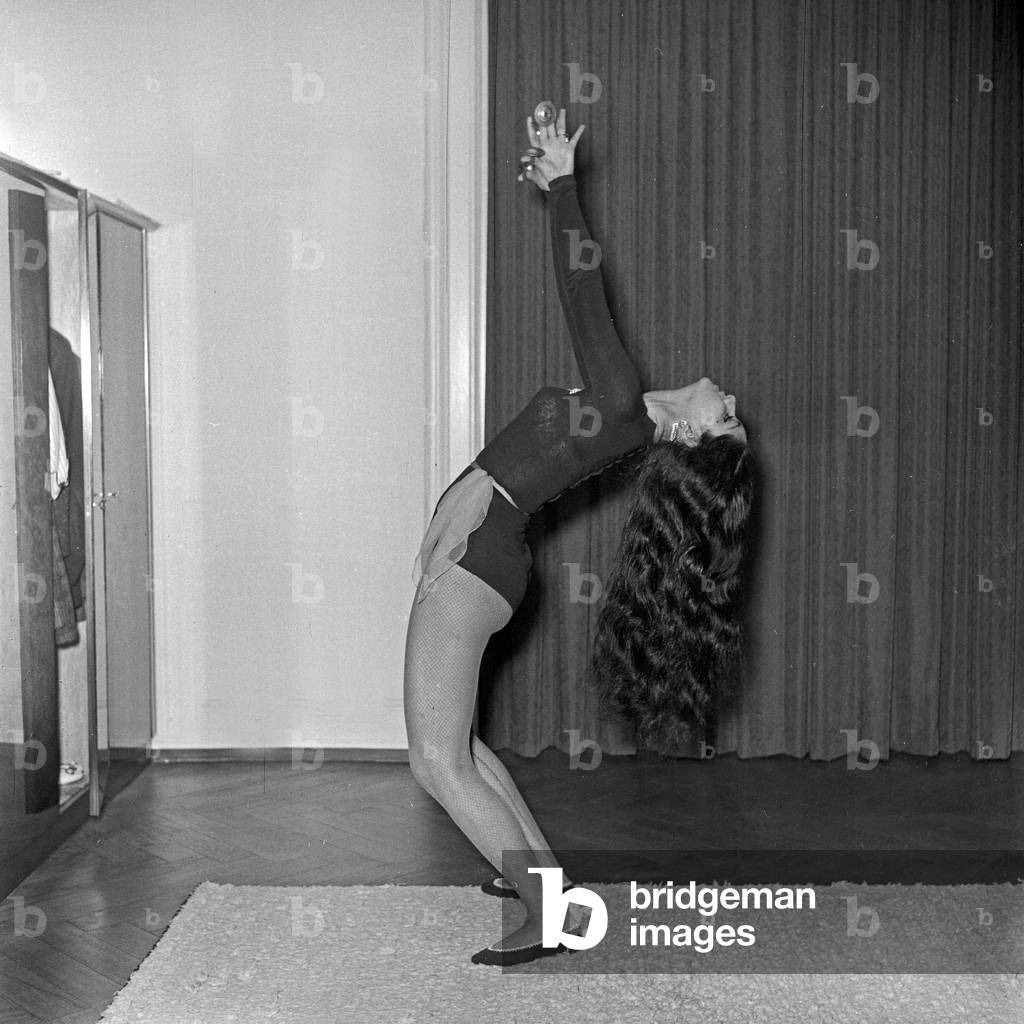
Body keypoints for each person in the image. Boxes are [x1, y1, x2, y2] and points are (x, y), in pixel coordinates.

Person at [404, 109, 753, 966]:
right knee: (463, 747)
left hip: (478, 565)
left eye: (729, 422)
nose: (730, 402)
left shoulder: (627, 404)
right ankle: (548, 888)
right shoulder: (627, 416)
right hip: (485, 557)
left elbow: (582, 291)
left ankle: (543, 911)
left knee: (435, 765)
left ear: (692, 436)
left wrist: (562, 183)